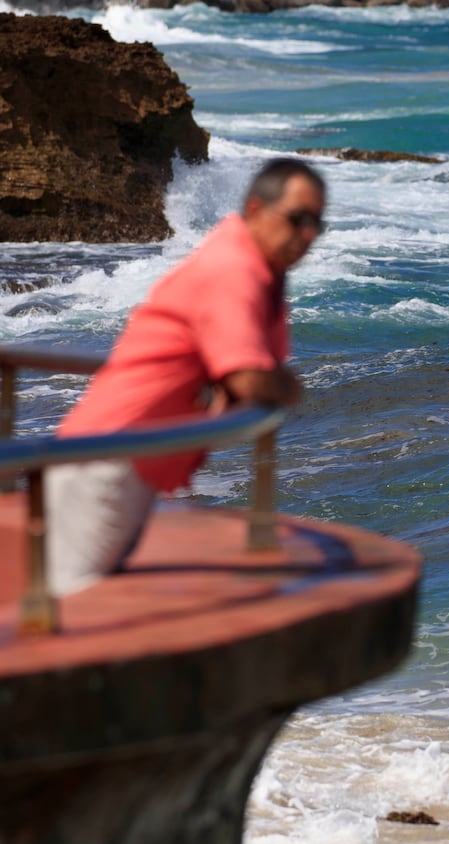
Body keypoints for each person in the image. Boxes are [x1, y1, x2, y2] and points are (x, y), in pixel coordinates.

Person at [45, 157, 326, 596]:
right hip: (106, 461)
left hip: (127, 458)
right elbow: (249, 379)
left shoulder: (254, 266)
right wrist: (287, 386)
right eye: (297, 220)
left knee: (85, 603)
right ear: (255, 210)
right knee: (70, 609)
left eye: (316, 225)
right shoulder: (234, 270)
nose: (307, 236)